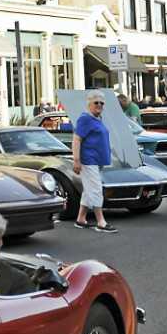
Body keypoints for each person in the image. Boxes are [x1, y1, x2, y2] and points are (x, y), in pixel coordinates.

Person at [69, 93, 117, 233]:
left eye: (102, 103)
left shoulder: (97, 119)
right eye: (96, 102)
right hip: (88, 160)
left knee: (89, 190)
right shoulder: (85, 119)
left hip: (96, 161)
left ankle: (81, 219)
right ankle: (101, 221)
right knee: (96, 189)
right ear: (89, 104)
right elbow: (77, 139)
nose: (99, 105)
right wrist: (76, 160)